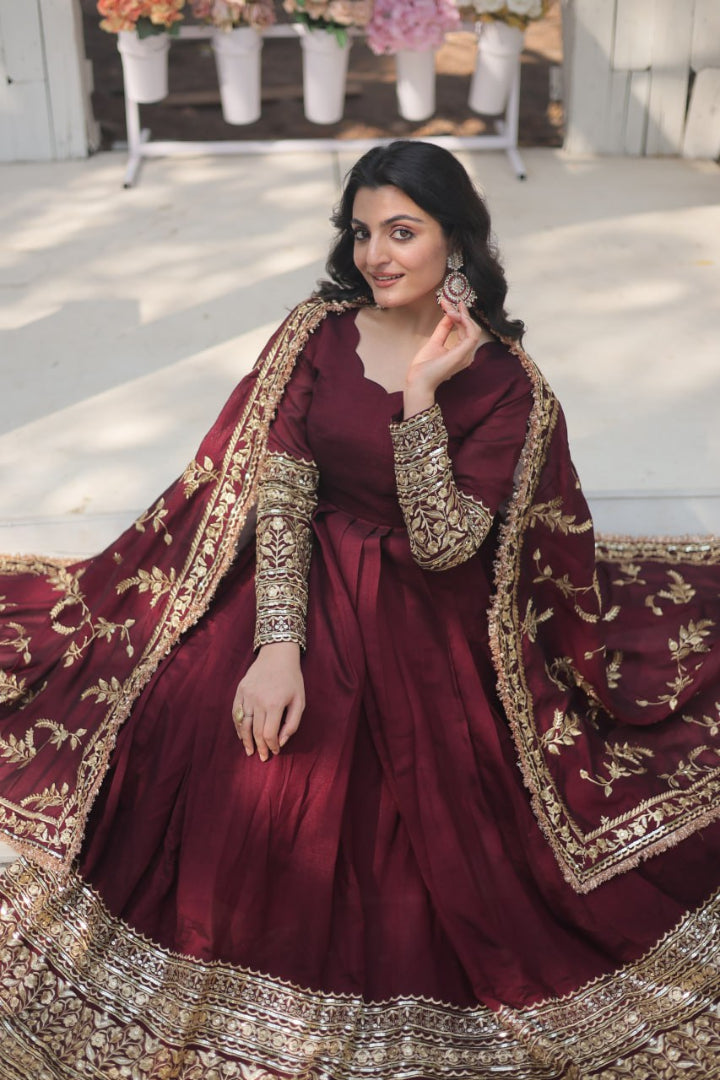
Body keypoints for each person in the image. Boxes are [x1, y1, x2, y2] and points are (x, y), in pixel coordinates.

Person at [1, 140, 720, 1079]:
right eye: (363, 231)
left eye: (403, 231)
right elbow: (284, 491)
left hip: (431, 615)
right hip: (295, 578)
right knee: (179, 709)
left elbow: (444, 545)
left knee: (376, 786)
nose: (377, 253)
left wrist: (422, 396)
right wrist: (277, 646)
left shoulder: (508, 387)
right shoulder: (315, 332)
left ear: (455, 241)